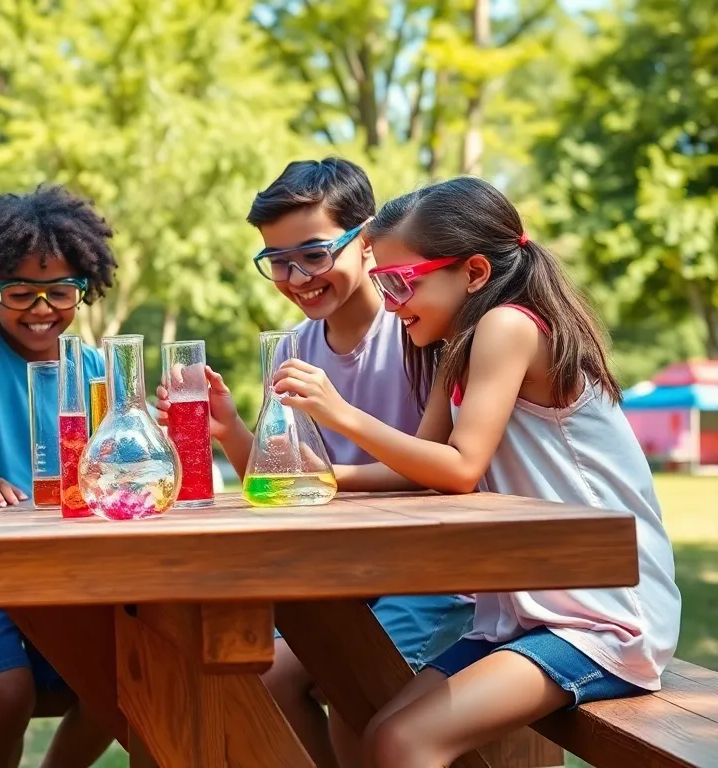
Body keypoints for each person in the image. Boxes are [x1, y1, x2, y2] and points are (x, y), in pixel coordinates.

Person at [271, 176, 681, 767]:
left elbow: (461, 469)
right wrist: (329, 475)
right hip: (528, 614)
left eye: (400, 282)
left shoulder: (508, 326)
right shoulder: (457, 347)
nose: (390, 303)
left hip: (605, 617)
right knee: (377, 723)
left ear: (475, 272)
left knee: (401, 740)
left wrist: (341, 414)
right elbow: (425, 467)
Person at [157, 157, 474, 768]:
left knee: (354, 697)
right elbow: (289, 480)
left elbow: (443, 471)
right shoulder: (298, 346)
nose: (296, 276)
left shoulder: (418, 329)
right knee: (262, 683)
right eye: (278, 261)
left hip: (434, 580)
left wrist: (332, 431)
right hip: (344, 578)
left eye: (314, 253)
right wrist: (229, 432)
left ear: (369, 241)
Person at [0, 184, 118, 768]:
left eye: (60, 292)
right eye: (22, 293)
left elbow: (110, 460)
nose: (42, 310)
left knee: (113, 691)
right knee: (8, 694)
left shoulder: (91, 367)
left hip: (60, 569)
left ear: (83, 290)